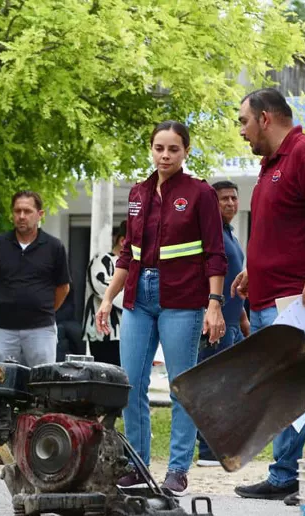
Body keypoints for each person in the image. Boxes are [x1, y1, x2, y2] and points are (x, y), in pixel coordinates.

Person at [96, 120, 226, 496]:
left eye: (173, 149)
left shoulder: (200, 194)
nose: (165, 155)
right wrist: (108, 298)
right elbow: (127, 253)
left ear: (186, 151)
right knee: (130, 384)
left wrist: (213, 304)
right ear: (151, 150)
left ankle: (178, 470)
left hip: (183, 300)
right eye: (159, 148)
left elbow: (215, 254)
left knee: (181, 386)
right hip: (139, 297)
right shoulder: (137, 192)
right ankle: (137, 465)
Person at [230, 89, 305, 506]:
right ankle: (285, 475)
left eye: (243, 121)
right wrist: (251, 270)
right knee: (283, 391)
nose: (240, 131)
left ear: (264, 118)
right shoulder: (269, 165)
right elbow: (278, 229)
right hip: (269, 296)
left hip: (303, 297)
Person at [196, 181, 251, 467]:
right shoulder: (211, 234)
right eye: (223, 199)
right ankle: (207, 451)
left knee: (232, 389)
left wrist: (243, 318)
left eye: (233, 198)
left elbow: (233, 281)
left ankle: (223, 445)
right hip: (214, 324)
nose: (230, 203)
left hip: (232, 323)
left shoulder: (231, 233)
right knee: (212, 388)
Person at [0, 191, 71, 366]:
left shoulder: (54, 246)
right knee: (3, 386)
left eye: (27, 211)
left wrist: (41, 309)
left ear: (40, 215)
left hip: (41, 330)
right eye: (17, 211)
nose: (21, 216)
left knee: (41, 385)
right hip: (4, 330)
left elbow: (63, 288)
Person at [83, 221, 126, 366]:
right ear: (123, 241)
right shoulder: (101, 261)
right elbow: (104, 289)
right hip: (106, 334)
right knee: (107, 377)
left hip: (129, 333)